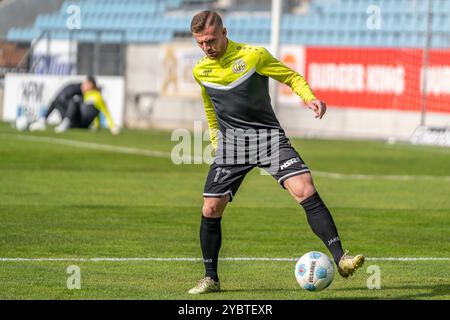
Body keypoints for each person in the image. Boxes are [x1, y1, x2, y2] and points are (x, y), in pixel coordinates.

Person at [188, 11, 364, 294]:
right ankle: (211, 278)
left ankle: (341, 258)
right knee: (210, 207)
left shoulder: (254, 56)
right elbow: (211, 107)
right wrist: (215, 140)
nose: (206, 47)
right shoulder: (200, 71)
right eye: (200, 43)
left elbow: (291, 76)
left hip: (268, 138)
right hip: (232, 145)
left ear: (224, 32)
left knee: (304, 187)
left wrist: (310, 98)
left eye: (209, 40)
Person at [54, 76, 119, 135]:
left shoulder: (97, 96)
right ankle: (65, 122)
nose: (83, 85)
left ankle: (66, 123)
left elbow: (104, 111)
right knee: (64, 101)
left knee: (73, 101)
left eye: (85, 84)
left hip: (83, 123)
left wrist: (112, 126)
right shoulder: (84, 95)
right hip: (77, 121)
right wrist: (97, 126)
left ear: (91, 85)